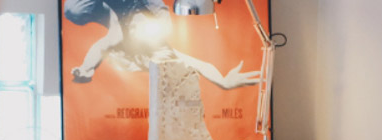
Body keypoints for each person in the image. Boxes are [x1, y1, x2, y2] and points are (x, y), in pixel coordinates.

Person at [64, 0, 260, 90]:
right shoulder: (158, 41)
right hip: (148, 8)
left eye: (133, 30)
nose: (133, 28)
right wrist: (223, 81)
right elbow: (200, 64)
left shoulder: (117, 34)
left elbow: (99, 49)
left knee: (72, 10)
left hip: (117, 8)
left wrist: (85, 69)